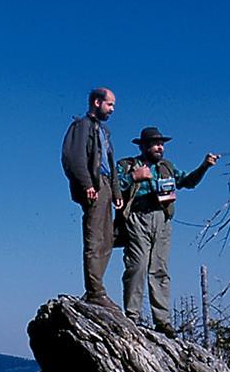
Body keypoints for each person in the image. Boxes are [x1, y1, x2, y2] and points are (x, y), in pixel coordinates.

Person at [116, 126, 218, 337]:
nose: (160, 147)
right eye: (155, 143)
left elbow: (187, 182)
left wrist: (204, 167)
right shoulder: (128, 165)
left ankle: (162, 321)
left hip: (162, 219)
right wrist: (134, 177)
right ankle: (132, 317)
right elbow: (113, 185)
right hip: (137, 217)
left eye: (161, 144)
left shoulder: (166, 167)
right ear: (143, 146)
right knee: (137, 267)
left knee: (159, 269)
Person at [61, 87, 123, 309]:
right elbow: (73, 157)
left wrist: (116, 192)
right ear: (97, 102)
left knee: (107, 238)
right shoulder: (82, 126)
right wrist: (86, 183)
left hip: (105, 185)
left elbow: (109, 163)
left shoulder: (103, 131)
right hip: (94, 186)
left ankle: (97, 289)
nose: (112, 109)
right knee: (95, 238)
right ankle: (95, 292)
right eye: (110, 104)